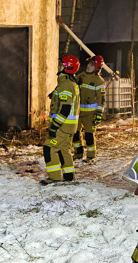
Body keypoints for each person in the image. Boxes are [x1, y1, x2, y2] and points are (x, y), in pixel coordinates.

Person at [43, 54, 80, 184]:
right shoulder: (68, 83)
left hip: (62, 126)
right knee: (64, 150)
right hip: (69, 127)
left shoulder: (66, 84)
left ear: (67, 67)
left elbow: (65, 109)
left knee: (49, 148)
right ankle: (69, 176)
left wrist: (54, 126)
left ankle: (54, 178)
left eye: (61, 65)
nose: (58, 66)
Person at [73, 55, 106, 161]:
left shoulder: (99, 81)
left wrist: (99, 114)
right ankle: (78, 153)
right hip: (77, 112)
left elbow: (101, 99)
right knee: (75, 134)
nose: (89, 66)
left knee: (89, 136)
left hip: (90, 114)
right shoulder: (80, 77)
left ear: (97, 67)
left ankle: (91, 156)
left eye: (92, 64)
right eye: (89, 63)